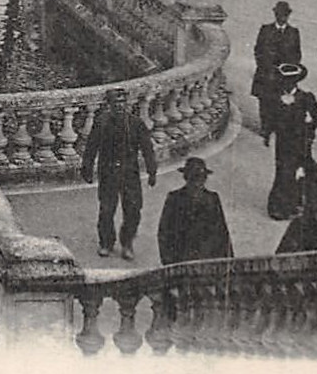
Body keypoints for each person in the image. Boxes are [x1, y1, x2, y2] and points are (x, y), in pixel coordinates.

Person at [81, 88, 158, 259]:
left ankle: (127, 242)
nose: (120, 106)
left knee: (133, 209)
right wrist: (87, 168)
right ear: (109, 105)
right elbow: (91, 147)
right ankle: (106, 243)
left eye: (123, 102)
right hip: (108, 173)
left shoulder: (136, 124)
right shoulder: (101, 122)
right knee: (107, 210)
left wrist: (152, 171)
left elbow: (147, 148)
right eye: (116, 103)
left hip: (130, 173)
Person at [267, 63, 317, 220]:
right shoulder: (275, 97)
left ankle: (293, 204)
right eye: (284, 81)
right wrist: (271, 130)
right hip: (283, 142)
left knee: (296, 171)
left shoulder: (305, 98)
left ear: (296, 81)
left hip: (300, 141)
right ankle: (278, 207)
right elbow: (270, 117)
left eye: (290, 81)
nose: (286, 84)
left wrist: (308, 128)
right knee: (283, 172)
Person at [157, 157, 233, 264]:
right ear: (186, 178)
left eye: (201, 178)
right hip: (182, 260)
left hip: (209, 261)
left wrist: (228, 262)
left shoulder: (212, 198)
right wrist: (168, 262)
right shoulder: (174, 198)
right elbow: (164, 232)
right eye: (194, 178)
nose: (197, 182)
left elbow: (222, 232)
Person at [251, 1, 301, 147]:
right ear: (275, 14)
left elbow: (297, 54)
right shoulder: (265, 30)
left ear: (288, 16)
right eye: (279, 15)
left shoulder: (294, 33)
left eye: (285, 15)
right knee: (265, 102)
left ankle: (276, 127)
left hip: (284, 76)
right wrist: (266, 68)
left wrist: (288, 71)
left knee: (280, 101)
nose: (282, 18)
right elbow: (258, 51)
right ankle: (265, 127)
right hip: (266, 73)